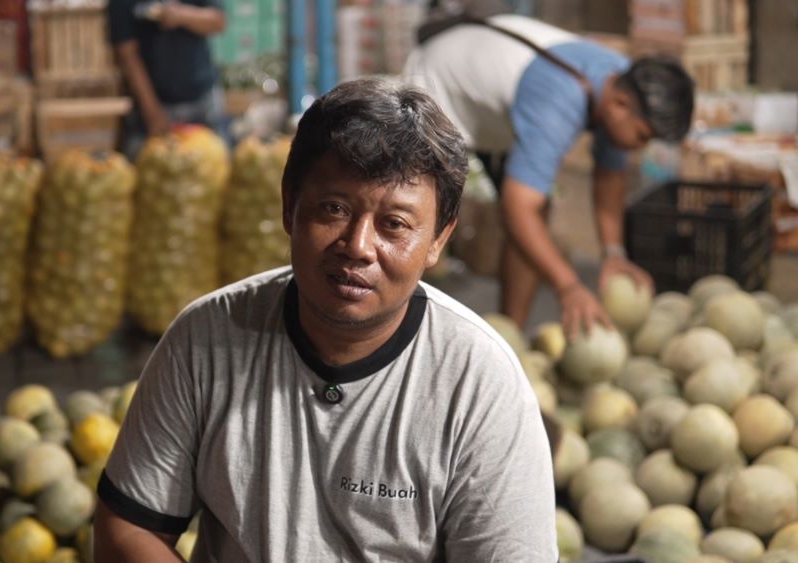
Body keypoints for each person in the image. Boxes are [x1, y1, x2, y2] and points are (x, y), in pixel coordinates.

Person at [94, 78, 557, 561]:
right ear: (290, 205)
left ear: (439, 239)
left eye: (394, 224)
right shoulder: (204, 340)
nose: (357, 246)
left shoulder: (480, 384)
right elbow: (128, 525)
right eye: (334, 209)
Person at [403, 13, 695, 338]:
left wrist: (614, 254)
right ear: (621, 104)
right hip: (439, 84)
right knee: (415, 213)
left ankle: (509, 337)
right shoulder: (558, 98)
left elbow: (610, 176)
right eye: (643, 137)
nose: (641, 148)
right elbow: (518, 209)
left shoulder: (620, 86)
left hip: (499, 107)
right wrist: (569, 286)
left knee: (535, 214)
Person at [107, 0, 226, 159]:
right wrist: (152, 111)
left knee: (215, 169)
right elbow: (126, 54)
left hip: (203, 103)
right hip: (152, 107)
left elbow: (218, 21)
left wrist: (183, 15)